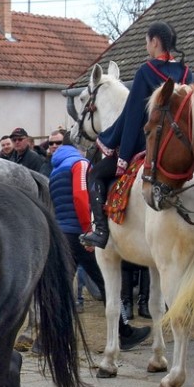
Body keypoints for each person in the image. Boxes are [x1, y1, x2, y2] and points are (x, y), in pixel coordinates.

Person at [80, 21, 193, 248]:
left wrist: (119, 149)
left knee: (95, 174)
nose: (146, 47)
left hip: (148, 143)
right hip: (179, 146)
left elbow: (132, 116)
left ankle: (100, 231)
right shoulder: (186, 73)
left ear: (155, 42)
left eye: (147, 42)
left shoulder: (146, 71)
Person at [44, 134, 150, 349]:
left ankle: (46, 339)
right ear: (79, 148)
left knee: (62, 287)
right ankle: (124, 332)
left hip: (63, 233)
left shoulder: (56, 170)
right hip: (79, 232)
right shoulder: (80, 164)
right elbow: (81, 197)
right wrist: (89, 230)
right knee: (106, 283)